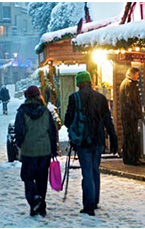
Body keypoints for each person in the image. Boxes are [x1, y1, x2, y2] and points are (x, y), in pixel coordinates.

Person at [64, 71, 118, 216]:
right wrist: (113, 137)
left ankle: (88, 206)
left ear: (78, 84)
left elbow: (67, 121)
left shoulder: (74, 98)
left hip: (83, 140)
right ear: (89, 82)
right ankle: (95, 200)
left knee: (87, 171)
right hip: (98, 139)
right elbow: (108, 119)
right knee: (95, 169)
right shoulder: (101, 98)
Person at [15, 85, 58, 217]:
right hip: (44, 150)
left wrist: (20, 144)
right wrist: (53, 148)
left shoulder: (22, 112)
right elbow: (52, 131)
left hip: (29, 151)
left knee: (27, 177)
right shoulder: (45, 111)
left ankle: (34, 201)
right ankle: (41, 206)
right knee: (41, 179)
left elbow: (19, 131)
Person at [119, 67, 145, 165]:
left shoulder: (126, 83)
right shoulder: (129, 85)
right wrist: (136, 112)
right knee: (132, 137)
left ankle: (128, 158)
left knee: (128, 136)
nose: (138, 76)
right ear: (132, 74)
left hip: (127, 115)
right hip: (130, 116)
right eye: (137, 74)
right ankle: (133, 158)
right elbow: (130, 100)